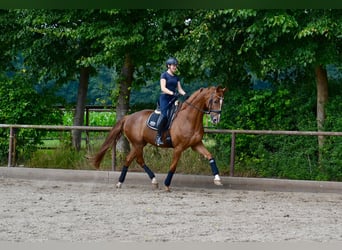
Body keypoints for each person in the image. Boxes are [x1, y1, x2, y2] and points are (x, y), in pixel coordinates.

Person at [155, 57, 187, 146]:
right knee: (165, 116)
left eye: (176, 66)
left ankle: (171, 135)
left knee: (177, 115)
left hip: (173, 99)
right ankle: (158, 136)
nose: (175, 67)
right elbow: (163, 88)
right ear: (168, 66)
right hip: (165, 98)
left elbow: (180, 89)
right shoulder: (164, 75)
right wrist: (172, 93)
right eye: (173, 65)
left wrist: (185, 95)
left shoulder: (176, 77)